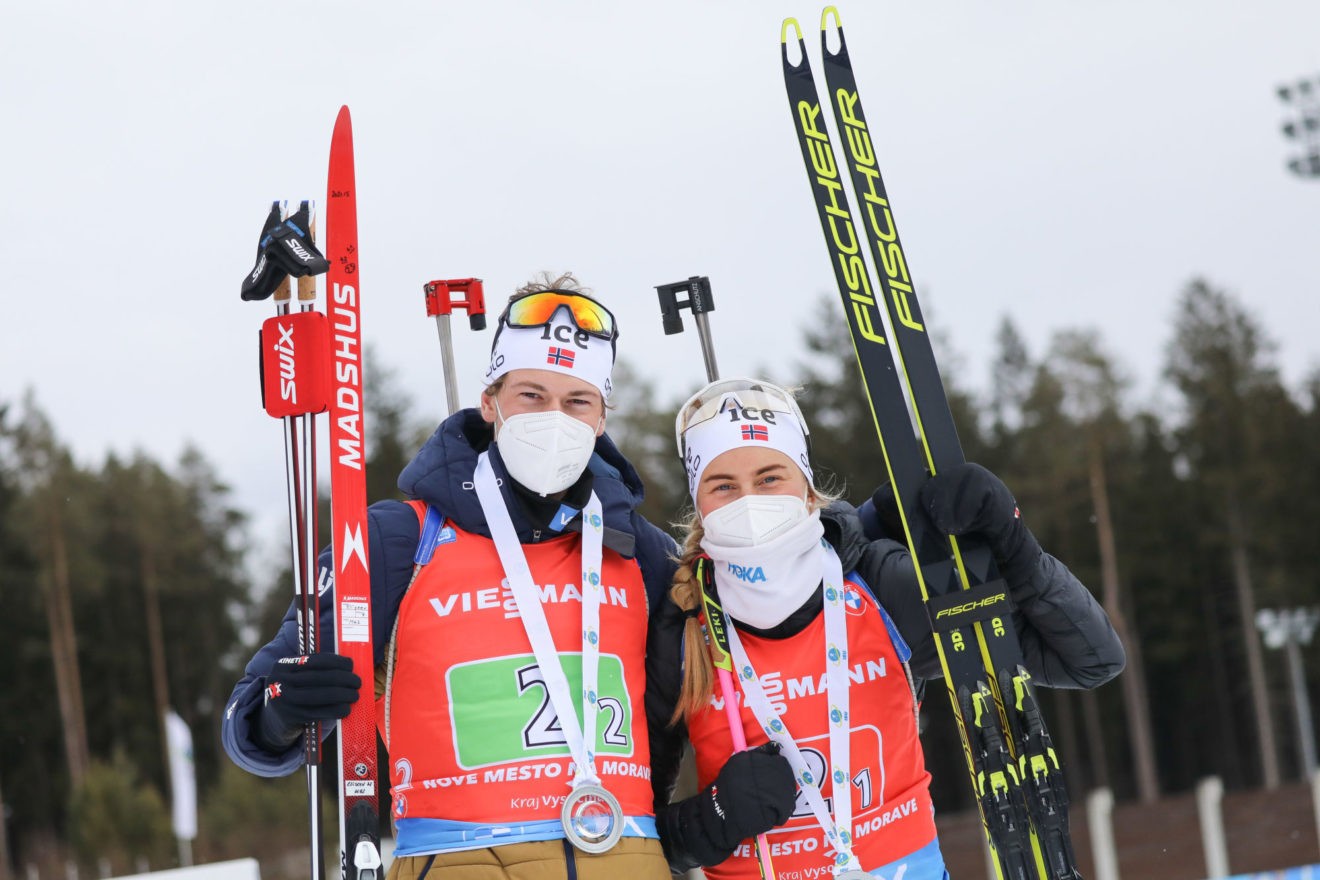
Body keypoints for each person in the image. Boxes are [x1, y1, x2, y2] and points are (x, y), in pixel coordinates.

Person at [221, 273, 682, 880]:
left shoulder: (641, 551)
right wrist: (282, 712)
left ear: (601, 418)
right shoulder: (395, 540)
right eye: (531, 395)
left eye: (577, 402)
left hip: (623, 859)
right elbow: (248, 719)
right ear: (490, 403)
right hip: (462, 858)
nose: (554, 418)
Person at [646, 377, 1126, 880]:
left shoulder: (879, 583)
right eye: (724, 486)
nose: (750, 501)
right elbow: (639, 831)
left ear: (807, 488)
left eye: (770, 478)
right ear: (699, 502)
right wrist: (712, 818)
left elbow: (1089, 659)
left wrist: (1013, 543)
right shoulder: (682, 626)